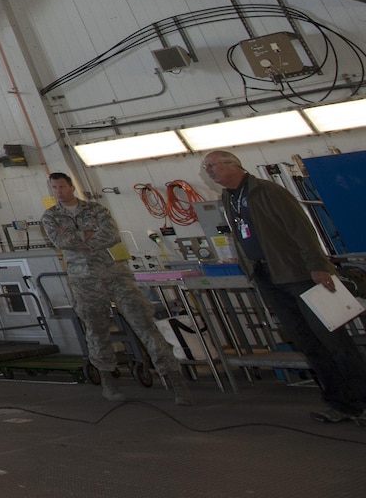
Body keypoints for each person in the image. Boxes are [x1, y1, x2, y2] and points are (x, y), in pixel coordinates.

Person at [200, 149, 366, 422]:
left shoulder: (267, 191)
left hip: (297, 274)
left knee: (333, 340)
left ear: (233, 165)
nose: (209, 171)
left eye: (212, 166)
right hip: (269, 276)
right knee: (308, 343)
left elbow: (302, 229)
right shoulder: (229, 197)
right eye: (207, 168)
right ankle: (341, 403)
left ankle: (362, 398)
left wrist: (318, 267)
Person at [39, 173, 191, 405]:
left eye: (62, 186)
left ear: (71, 187)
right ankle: (108, 382)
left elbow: (111, 235)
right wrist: (86, 234)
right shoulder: (51, 217)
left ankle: (175, 380)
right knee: (96, 331)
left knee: (145, 325)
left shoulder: (96, 210)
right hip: (85, 281)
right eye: (54, 188)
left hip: (117, 276)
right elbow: (61, 242)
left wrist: (78, 239)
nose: (58, 191)